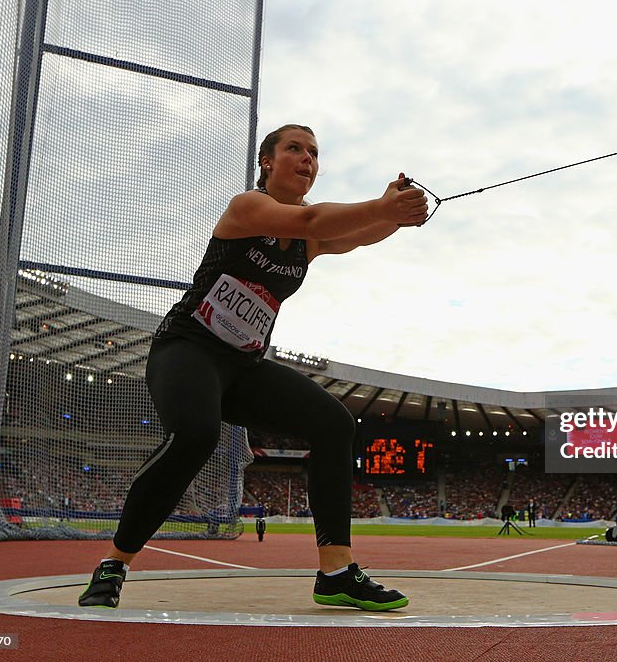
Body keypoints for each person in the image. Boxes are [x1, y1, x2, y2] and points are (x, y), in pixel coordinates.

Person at [78, 124, 427, 611]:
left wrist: (399, 214)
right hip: (187, 349)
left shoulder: (312, 236)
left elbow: (352, 236)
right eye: (294, 149)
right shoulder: (247, 208)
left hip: (242, 366)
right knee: (196, 435)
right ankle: (114, 563)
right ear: (267, 162)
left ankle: (337, 573)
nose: (307, 159)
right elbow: (314, 222)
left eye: (314, 153)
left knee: (333, 424)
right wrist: (383, 208)